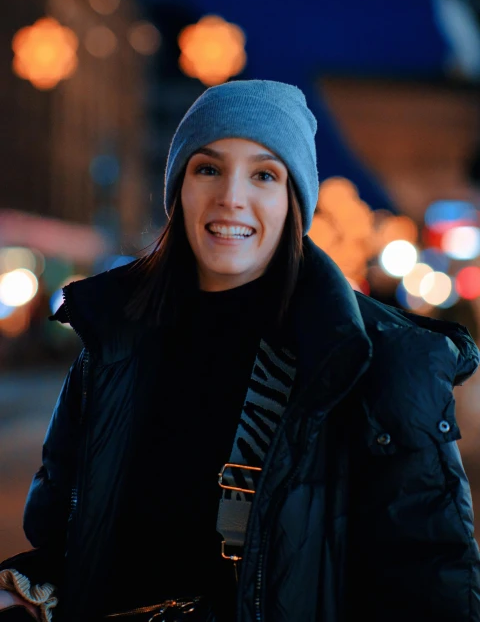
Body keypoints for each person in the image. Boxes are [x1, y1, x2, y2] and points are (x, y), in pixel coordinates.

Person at [1, 78, 479, 622]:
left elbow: (430, 587)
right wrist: (26, 588)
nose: (231, 197)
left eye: (264, 175)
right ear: (179, 186)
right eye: (208, 168)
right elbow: (66, 544)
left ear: (294, 201)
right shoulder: (112, 341)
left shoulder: (379, 363)